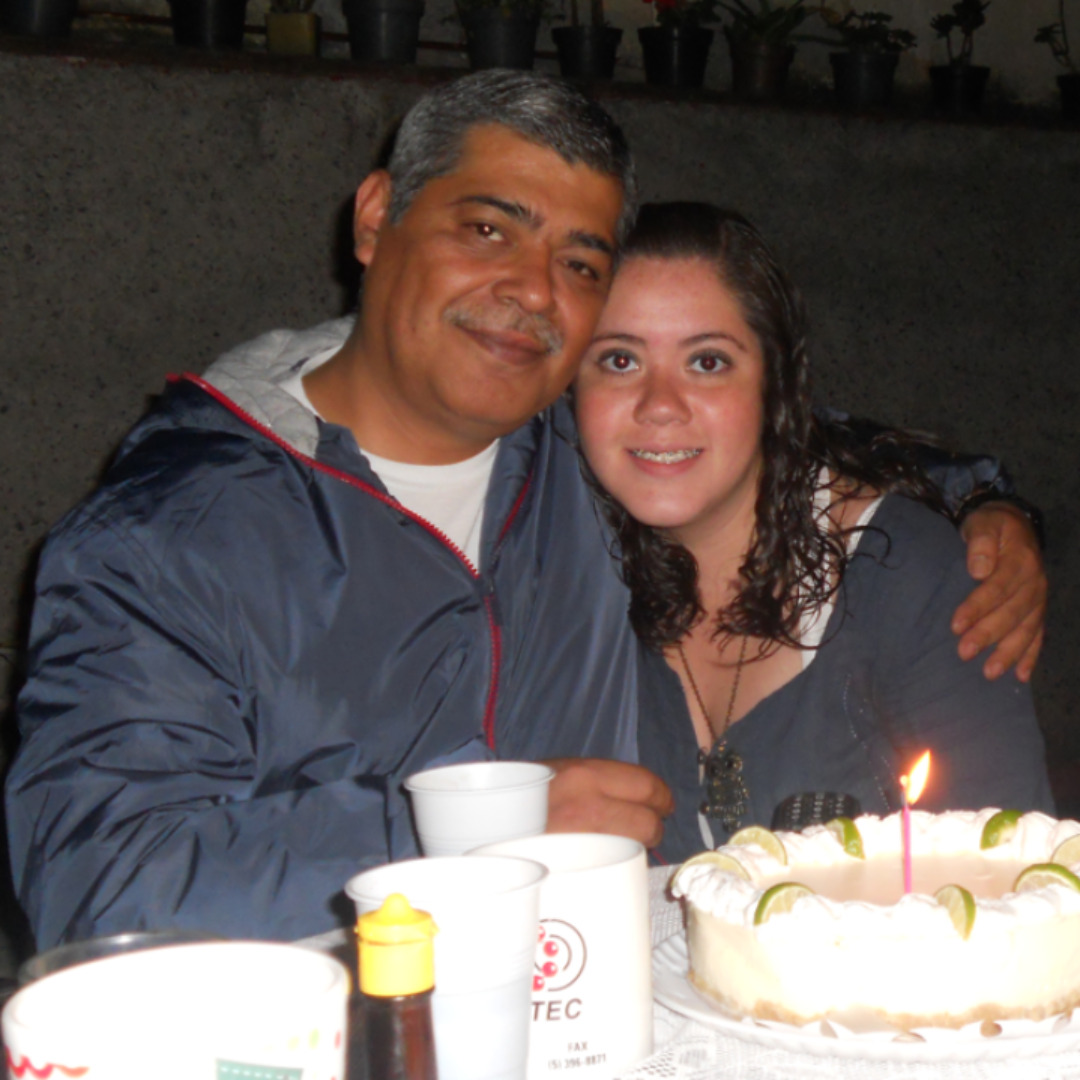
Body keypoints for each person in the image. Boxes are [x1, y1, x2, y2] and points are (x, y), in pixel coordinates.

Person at [6, 74, 1045, 949]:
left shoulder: (579, 447)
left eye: (579, 263)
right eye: (487, 227)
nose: (534, 290)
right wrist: (475, 825)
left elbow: (760, 433)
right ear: (375, 218)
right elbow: (91, 885)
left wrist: (981, 499)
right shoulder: (162, 539)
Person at [573, 202, 1054, 864]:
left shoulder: (906, 575)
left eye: (707, 361)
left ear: (775, 384)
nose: (660, 405)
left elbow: (1015, 873)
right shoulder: (558, 571)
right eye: (619, 359)